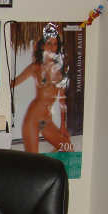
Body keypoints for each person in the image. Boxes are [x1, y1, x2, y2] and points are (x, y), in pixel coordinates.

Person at [11, 24, 73, 153]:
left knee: (68, 148)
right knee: (32, 161)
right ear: (43, 46)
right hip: (33, 118)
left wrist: (63, 125)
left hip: (45, 120)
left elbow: (62, 100)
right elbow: (13, 83)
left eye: (55, 44)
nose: (52, 47)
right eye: (48, 43)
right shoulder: (36, 67)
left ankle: (49, 161)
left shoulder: (60, 69)